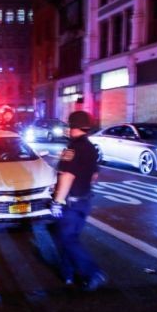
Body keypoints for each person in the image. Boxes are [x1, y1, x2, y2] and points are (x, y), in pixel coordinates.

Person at [50, 110, 107, 291]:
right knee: (70, 238)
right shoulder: (91, 147)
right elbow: (94, 176)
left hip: (71, 204)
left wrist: (57, 202)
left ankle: (92, 272)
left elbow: (67, 176)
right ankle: (68, 274)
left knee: (67, 239)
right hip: (85, 201)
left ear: (72, 127)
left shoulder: (72, 148)